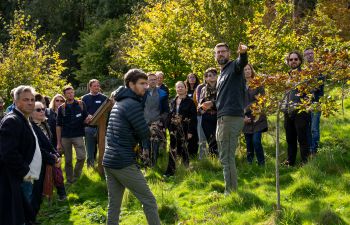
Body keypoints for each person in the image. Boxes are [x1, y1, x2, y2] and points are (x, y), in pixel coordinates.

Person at [103, 69, 161, 225]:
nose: (146, 87)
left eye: (147, 83)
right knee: (149, 200)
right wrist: (151, 130)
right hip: (123, 161)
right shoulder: (131, 104)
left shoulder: (120, 101)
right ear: (130, 84)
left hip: (109, 160)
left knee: (114, 204)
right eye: (142, 83)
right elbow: (143, 133)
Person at [201, 42, 248, 194]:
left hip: (231, 118)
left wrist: (243, 53)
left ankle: (231, 192)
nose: (220, 54)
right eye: (218, 52)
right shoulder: (222, 74)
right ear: (215, 55)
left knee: (226, 157)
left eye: (223, 51)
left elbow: (242, 63)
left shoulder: (234, 66)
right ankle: (231, 189)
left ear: (229, 53)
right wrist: (212, 104)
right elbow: (226, 98)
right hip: (222, 117)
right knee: (224, 157)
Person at [0, 85, 41, 225]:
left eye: (32, 99)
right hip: (19, 179)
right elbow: (8, 153)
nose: (30, 102)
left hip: (27, 178)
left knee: (24, 216)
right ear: (16, 102)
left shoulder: (25, 119)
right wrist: (25, 172)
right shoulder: (12, 120)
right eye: (25, 100)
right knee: (16, 218)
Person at [30, 101, 65, 221]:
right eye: (38, 110)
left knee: (41, 191)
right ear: (31, 113)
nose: (42, 111)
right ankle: (31, 218)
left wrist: (56, 154)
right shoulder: (31, 127)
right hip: (37, 164)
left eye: (43, 109)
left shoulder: (44, 124)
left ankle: (34, 215)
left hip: (47, 161)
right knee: (35, 193)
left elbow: (50, 143)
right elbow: (37, 148)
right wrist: (53, 158)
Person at [56, 86, 89, 183]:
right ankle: (70, 179)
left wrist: (88, 119)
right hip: (65, 137)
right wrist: (58, 142)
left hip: (78, 135)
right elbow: (58, 125)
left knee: (82, 157)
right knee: (68, 160)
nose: (70, 94)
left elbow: (86, 117)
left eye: (72, 92)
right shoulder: (61, 108)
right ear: (65, 95)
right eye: (68, 93)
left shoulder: (81, 104)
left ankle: (76, 175)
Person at [283, 51, 310, 166]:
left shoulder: (305, 75)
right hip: (288, 111)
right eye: (291, 59)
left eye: (295, 59)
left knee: (302, 138)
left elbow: (310, 93)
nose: (293, 61)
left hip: (301, 111)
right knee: (290, 138)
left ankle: (305, 162)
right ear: (288, 62)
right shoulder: (286, 76)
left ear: (300, 61)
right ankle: (290, 161)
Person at [164, 81, 197, 176]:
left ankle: (185, 171)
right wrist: (169, 128)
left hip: (185, 129)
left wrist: (190, 131)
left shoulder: (190, 102)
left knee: (184, 150)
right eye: (178, 87)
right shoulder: (173, 101)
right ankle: (170, 172)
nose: (180, 88)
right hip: (173, 130)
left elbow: (193, 118)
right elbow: (169, 115)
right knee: (172, 150)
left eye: (181, 87)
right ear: (176, 89)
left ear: (186, 88)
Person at [242, 64, 268, 166]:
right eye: (245, 70)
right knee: (249, 143)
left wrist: (246, 108)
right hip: (245, 118)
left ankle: (261, 163)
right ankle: (250, 164)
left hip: (257, 116)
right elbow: (237, 102)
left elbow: (261, 101)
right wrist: (242, 115)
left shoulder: (258, 84)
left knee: (256, 141)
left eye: (249, 69)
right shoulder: (240, 85)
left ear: (252, 71)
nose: (247, 71)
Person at [143, 73, 169, 166]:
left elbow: (166, 110)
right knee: (145, 145)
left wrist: (161, 121)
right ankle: (146, 165)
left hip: (156, 122)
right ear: (147, 81)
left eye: (155, 79)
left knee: (155, 144)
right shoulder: (142, 92)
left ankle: (154, 165)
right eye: (151, 79)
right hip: (144, 123)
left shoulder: (162, 93)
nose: (153, 81)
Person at [81, 79, 108, 167]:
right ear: (90, 87)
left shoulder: (104, 98)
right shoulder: (84, 98)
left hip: (102, 128)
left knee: (102, 148)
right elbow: (82, 111)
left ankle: (103, 166)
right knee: (90, 149)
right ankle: (90, 166)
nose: (97, 87)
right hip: (89, 128)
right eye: (94, 86)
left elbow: (108, 111)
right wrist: (87, 117)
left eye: (98, 85)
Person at [304, 48, 324, 154]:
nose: (309, 55)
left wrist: (308, 86)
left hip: (316, 102)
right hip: (305, 103)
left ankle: (314, 150)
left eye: (311, 53)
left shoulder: (319, 69)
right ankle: (309, 148)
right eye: (307, 54)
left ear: (314, 54)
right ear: (304, 56)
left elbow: (317, 87)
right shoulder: (302, 71)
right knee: (307, 127)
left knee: (314, 128)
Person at [199, 68, 219, 156]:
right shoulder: (203, 89)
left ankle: (221, 158)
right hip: (206, 117)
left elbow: (223, 101)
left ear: (217, 76)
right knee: (210, 139)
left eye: (213, 75)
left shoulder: (221, 87)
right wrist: (201, 109)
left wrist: (212, 104)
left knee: (219, 138)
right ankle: (213, 158)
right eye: (208, 76)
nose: (210, 77)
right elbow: (200, 102)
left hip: (219, 116)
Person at [193, 73, 209, 159]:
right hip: (201, 114)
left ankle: (213, 156)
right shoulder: (200, 87)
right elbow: (199, 100)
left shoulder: (218, 85)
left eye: (211, 75)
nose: (208, 78)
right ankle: (202, 157)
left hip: (214, 115)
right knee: (202, 137)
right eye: (206, 76)